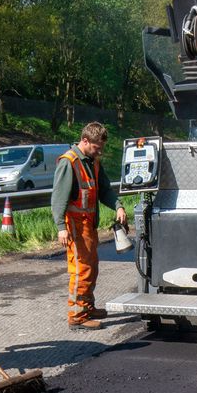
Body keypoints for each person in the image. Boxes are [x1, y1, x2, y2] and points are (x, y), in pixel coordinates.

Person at [52, 122, 127, 330]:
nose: (99, 151)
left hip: (89, 226)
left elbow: (104, 190)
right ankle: (77, 316)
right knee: (81, 270)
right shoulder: (69, 162)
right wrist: (61, 227)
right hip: (75, 227)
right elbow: (58, 198)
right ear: (85, 141)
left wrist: (118, 206)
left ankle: (87, 306)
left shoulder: (93, 162)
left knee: (92, 268)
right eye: (96, 147)